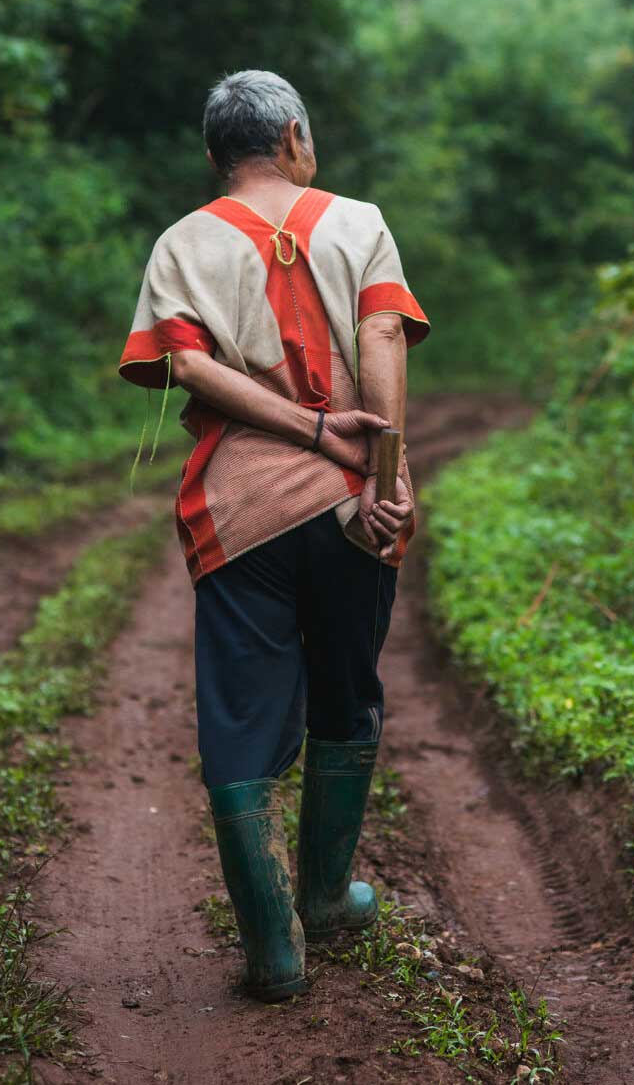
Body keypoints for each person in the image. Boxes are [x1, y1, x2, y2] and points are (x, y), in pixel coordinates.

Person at [117, 69, 430, 1001]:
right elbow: (380, 343)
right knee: (347, 689)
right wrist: (387, 478)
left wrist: (295, 431)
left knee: (242, 715)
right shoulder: (359, 221)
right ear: (293, 135)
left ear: (215, 155)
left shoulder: (181, 242)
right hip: (349, 508)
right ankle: (328, 897)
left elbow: (187, 368)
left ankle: (273, 951)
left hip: (238, 510)